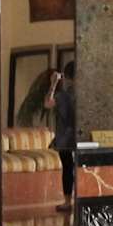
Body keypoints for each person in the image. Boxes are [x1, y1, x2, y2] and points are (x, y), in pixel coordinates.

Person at [44, 60, 77, 212]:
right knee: (77, 168)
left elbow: (47, 103)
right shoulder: (83, 94)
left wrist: (53, 83)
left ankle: (67, 202)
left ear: (66, 77)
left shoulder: (63, 96)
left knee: (68, 168)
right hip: (80, 137)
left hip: (65, 138)